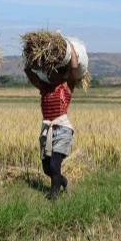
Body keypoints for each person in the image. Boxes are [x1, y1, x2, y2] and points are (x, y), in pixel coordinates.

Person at [25, 45, 80, 200]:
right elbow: (29, 73)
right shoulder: (44, 87)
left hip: (62, 129)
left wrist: (70, 47)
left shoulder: (66, 86)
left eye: (53, 71)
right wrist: (32, 55)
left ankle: (53, 196)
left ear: (61, 73)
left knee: (55, 165)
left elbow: (74, 68)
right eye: (48, 71)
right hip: (46, 130)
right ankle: (62, 181)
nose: (50, 74)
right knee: (47, 169)